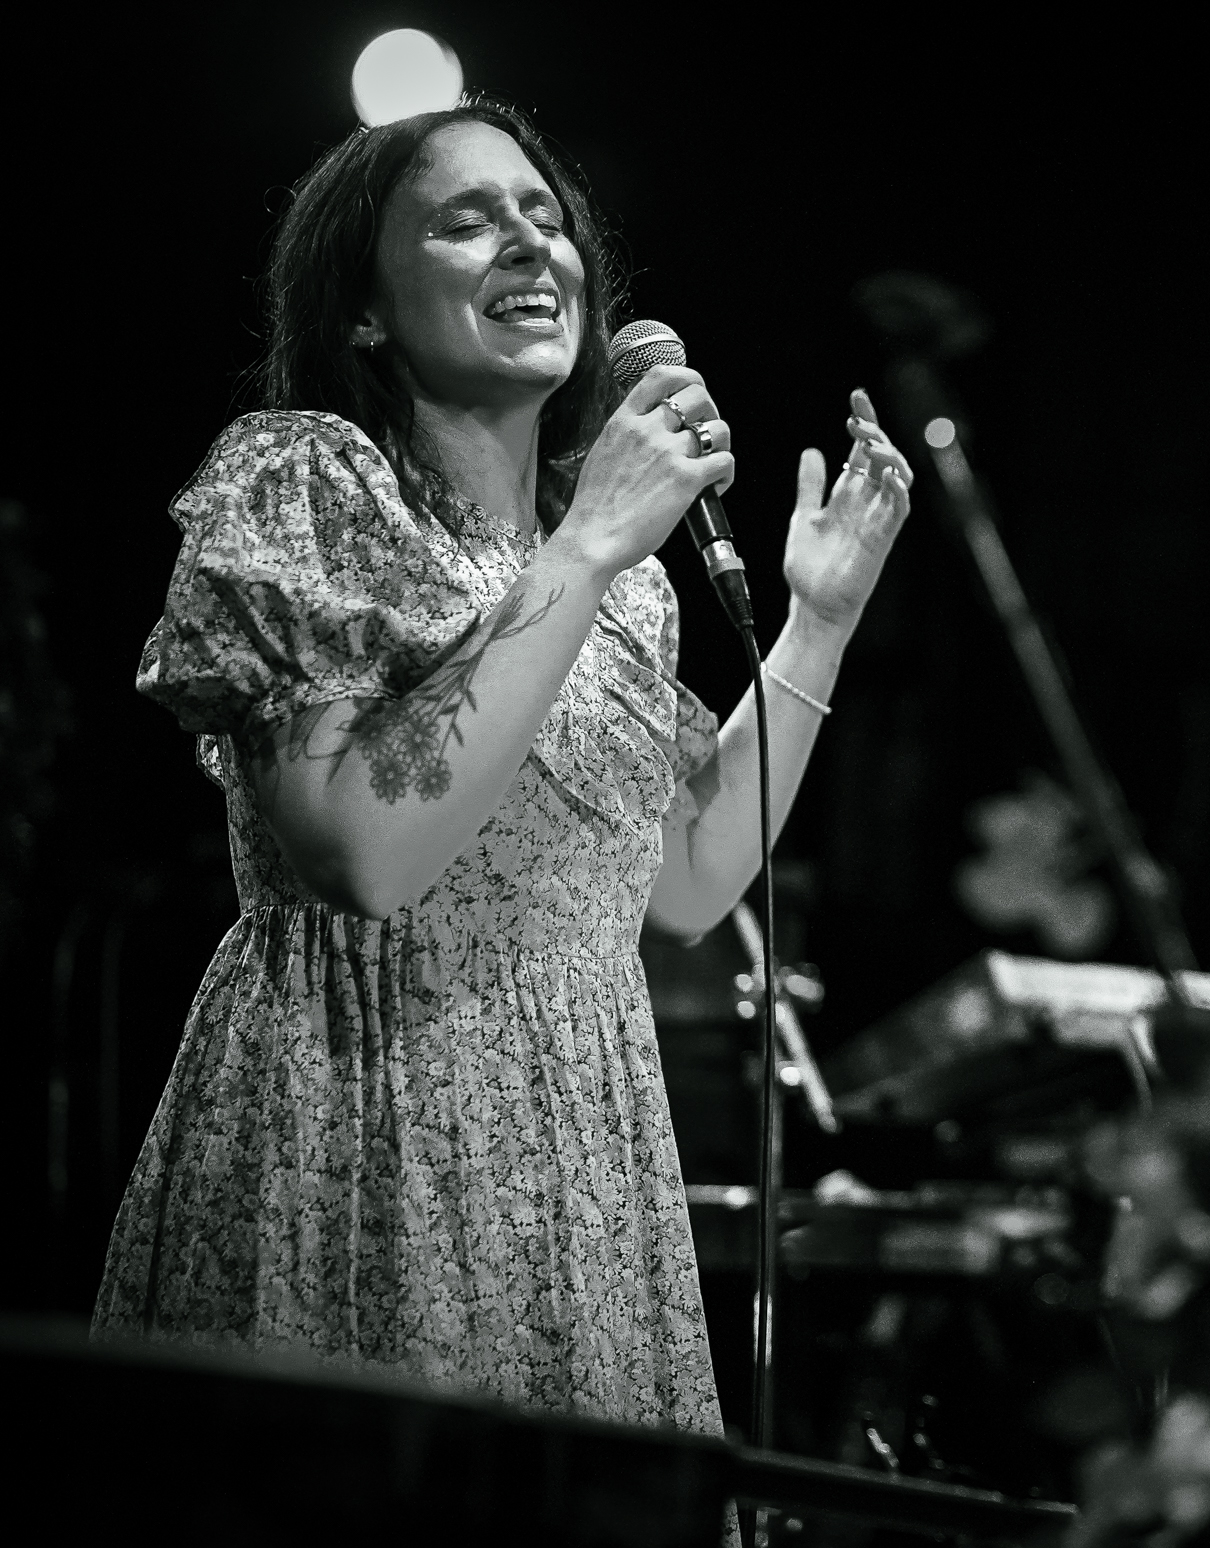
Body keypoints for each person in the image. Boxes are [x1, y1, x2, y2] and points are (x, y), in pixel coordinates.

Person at [94, 99, 910, 1452]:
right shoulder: (314, 482)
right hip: (360, 1120)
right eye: (466, 220)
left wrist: (820, 619)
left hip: (580, 1161)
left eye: (545, 217)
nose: (532, 248)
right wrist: (586, 544)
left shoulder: (623, 587)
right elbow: (366, 851)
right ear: (365, 309)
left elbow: (693, 884)